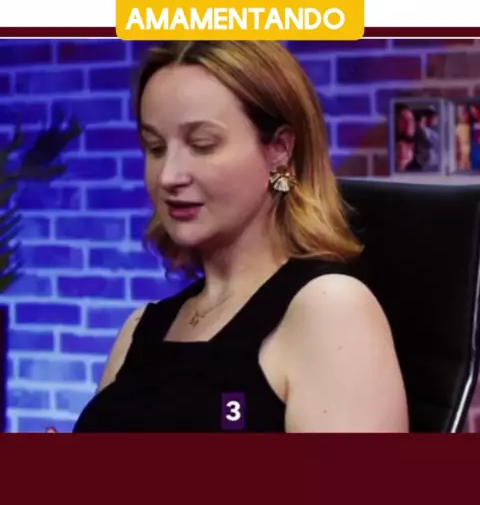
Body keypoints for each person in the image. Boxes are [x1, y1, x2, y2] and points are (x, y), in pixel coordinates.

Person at [72, 40, 408, 433]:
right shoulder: (138, 329)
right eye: (155, 148)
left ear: (280, 149)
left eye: (202, 145)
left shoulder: (330, 309)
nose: (168, 176)